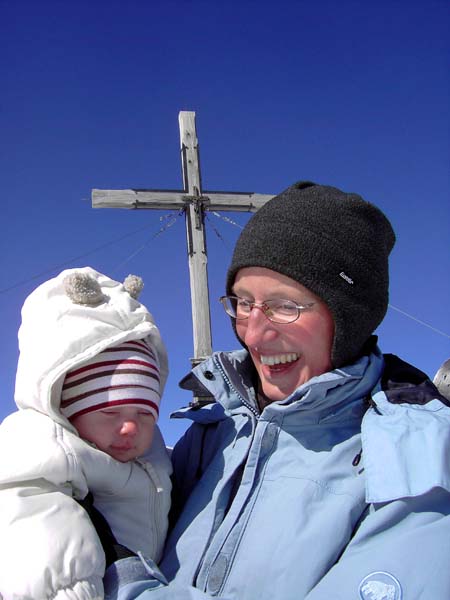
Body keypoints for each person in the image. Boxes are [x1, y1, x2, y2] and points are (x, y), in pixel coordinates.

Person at [99, 183, 450, 599]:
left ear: (350, 319)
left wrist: (123, 584)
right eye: (243, 302)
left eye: (286, 306)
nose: (255, 333)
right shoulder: (216, 430)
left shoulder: (421, 456)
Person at [0, 267, 172, 600]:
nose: (131, 427)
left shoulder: (153, 456)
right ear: (69, 408)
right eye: (109, 412)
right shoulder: (42, 446)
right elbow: (35, 520)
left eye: (145, 413)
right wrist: (70, 591)